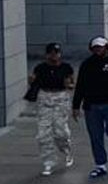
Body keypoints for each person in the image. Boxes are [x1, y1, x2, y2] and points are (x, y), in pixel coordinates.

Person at [72, 36, 108, 179]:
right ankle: (100, 164)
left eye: (100, 47)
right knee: (95, 136)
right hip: (92, 105)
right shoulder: (87, 64)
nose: (98, 50)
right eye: (95, 48)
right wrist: (76, 105)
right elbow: (80, 85)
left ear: (106, 47)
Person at [28, 42, 74, 176]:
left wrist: (69, 85)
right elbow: (34, 82)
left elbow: (71, 83)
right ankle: (48, 162)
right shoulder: (40, 68)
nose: (54, 56)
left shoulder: (66, 67)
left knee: (61, 131)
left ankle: (66, 150)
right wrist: (31, 81)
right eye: (51, 53)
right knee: (44, 133)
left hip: (60, 97)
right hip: (44, 97)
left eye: (56, 53)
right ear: (47, 54)